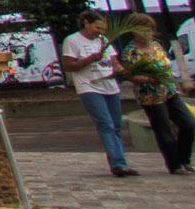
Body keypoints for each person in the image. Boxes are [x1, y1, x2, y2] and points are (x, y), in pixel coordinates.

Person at [57, 11, 138, 176]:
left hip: (109, 85)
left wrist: (123, 71)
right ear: (86, 23)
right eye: (96, 26)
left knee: (116, 125)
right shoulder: (72, 41)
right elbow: (69, 65)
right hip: (89, 86)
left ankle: (120, 160)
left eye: (102, 28)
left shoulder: (103, 40)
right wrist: (90, 59)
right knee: (105, 123)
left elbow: (113, 60)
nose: (99, 31)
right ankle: (118, 163)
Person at [122, 16, 195, 176]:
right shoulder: (130, 51)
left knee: (188, 123)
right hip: (150, 95)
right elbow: (131, 76)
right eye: (144, 30)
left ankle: (185, 158)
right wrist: (151, 79)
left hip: (169, 90)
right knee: (164, 129)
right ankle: (174, 164)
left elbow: (167, 67)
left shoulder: (156, 46)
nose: (148, 33)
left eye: (150, 29)